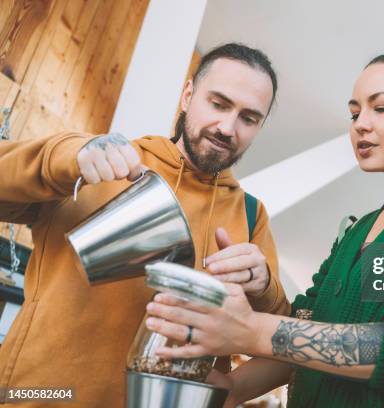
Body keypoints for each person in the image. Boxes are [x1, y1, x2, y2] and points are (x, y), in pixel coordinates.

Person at [145, 51, 384, 407]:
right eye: (354, 114)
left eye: (381, 108)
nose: (361, 124)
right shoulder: (355, 233)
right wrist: (235, 387)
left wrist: (250, 330)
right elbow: (311, 331)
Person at [0, 43, 290, 407]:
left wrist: (263, 286)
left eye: (249, 118)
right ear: (188, 95)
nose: (227, 128)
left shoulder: (251, 215)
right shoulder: (102, 163)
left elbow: (280, 338)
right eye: (218, 104)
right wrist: (68, 155)